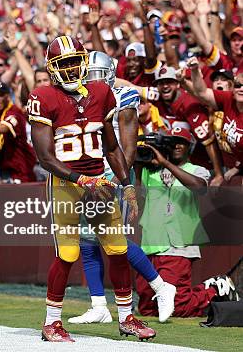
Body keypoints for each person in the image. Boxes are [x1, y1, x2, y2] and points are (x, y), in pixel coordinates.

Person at [27, 36, 155, 341]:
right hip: (66, 186)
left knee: (119, 249)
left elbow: (112, 148)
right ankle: (51, 323)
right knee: (69, 253)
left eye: (74, 61)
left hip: (99, 182)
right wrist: (82, 180)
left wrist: (127, 186)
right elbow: (45, 156)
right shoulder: (43, 97)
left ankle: (126, 318)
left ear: (84, 62)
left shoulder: (101, 92)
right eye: (64, 63)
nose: (71, 69)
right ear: (53, 68)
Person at [70, 51, 176, 324]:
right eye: (89, 75)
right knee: (87, 239)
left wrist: (118, 181)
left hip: (113, 172)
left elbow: (128, 149)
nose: (93, 80)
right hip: (90, 173)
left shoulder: (124, 96)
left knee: (110, 238)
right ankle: (98, 305)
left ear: (110, 74)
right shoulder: (82, 97)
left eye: (97, 75)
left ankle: (161, 286)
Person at [135, 127, 239, 317]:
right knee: (147, 309)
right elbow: (137, 197)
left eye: (181, 142)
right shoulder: (150, 170)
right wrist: (138, 161)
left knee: (176, 306)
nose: (176, 145)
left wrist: (165, 163)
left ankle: (215, 289)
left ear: (189, 146)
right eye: (172, 142)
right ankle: (209, 290)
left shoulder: (197, 170)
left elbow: (199, 188)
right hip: (150, 243)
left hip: (178, 243)